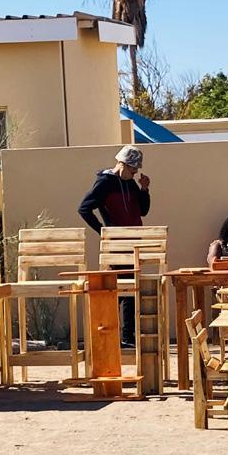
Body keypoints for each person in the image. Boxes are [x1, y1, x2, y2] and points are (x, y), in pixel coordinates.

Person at [78, 145, 150, 347]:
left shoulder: (130, 183)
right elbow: (84, 209)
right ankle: (104, 333)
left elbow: (143, 211)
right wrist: (103, 231)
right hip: (116, 244)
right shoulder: (105, 182)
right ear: (123, 164)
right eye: (133, 168)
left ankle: (127, 337)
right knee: (115, 289)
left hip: (133, 242)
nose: (135, 172)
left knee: (130, 289)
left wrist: (144, 189)